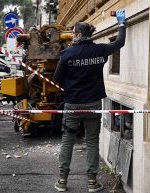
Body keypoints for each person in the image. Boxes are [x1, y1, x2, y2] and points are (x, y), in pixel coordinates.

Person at [53, 10, 126, 192]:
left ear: (78, 35)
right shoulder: (100, 50)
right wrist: (122, 23)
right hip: (93, 104)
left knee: (67, 140)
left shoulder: (67, 54)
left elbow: (56, 79)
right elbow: (120, 42)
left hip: (72, 104)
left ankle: (62, 181)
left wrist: (70, 83)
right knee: (92, 141)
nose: (71, 36)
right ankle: (92, 182)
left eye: (72, 33)